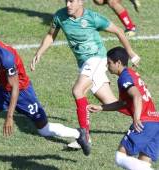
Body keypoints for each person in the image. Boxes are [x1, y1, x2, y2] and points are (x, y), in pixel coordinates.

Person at [0, 25, 90, 170]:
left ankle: (79, 133)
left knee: (44, 130)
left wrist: (9, 116)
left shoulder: (6, 56)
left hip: (22, 93)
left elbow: (15, 87)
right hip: (3, 90)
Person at [30, 0, 140, 151]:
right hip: (84, 64)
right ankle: (149, 117)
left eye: (72, 1)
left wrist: (131, 53)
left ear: (81, 2)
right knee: (113, 102)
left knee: (77, 91)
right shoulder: (60, 16)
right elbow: (50, 35)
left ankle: (84, 136)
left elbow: (119, 31)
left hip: (97, 59)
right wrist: (39, 53)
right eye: (66, 1)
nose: (68, 4)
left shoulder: (93, 18)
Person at [88, 46, 159, 170]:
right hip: (155, 122)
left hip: (144, 122)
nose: (107, 66)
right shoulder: (132, 74)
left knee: (120, 156)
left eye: (109, 63)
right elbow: (122, 103)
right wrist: (101, 108)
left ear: (118, 63)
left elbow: (137, 96)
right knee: (143, 163)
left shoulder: (124, 78)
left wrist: (136, 118)